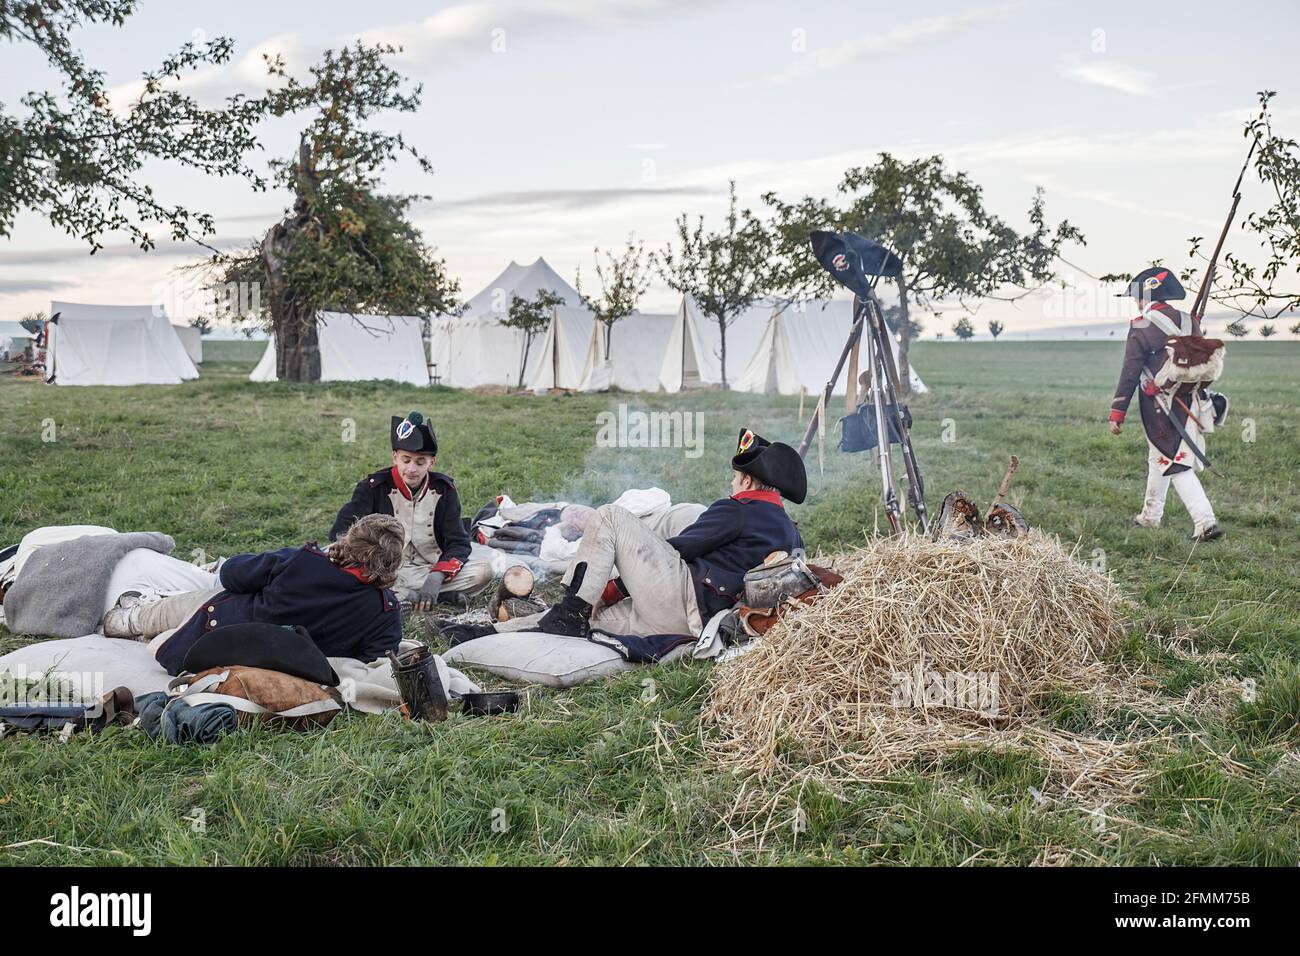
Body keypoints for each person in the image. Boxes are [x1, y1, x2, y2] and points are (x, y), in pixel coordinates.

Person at [456, 428, 807, 643]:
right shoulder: (791, 532)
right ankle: (493, 634)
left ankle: (571, 610)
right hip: (696, 623)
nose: (732, 484)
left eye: (735, 479)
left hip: (683, 598)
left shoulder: (740, 508)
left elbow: (682, 549)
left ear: (746, 481)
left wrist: (614, 587)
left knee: (610, 517)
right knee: (585, 626)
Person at [101, 514, 407, 675]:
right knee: (197, 604)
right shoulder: (386, 612)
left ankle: (131, 619)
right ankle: (143, 620)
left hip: (210, 637)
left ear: (351, 539)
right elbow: (372, 659)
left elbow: (232, 573)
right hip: (273, 663)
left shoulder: (302, 561)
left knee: (192, 603)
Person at [330, 412, 493, 610]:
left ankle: (418, 594)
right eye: (406, 460)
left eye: (420, 462)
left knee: (483, 572)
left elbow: (458, 542)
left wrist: (436, 577)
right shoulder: (372, 488)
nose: (411, 469)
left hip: (429, 569)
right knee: (348, 574)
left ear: (432, 462)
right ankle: (425, 596)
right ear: (395, 457)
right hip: (385, 572)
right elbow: (341, 533)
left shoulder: (444, 490)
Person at [1109, 266, 1223, 541]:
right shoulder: (1190, 320)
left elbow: (1130, 371)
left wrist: (1118, 411)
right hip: (1190, 399)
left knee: (1174, 462)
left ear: (1145, 296)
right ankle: (1150, 516)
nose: (1136, 302)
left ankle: (1205, 521)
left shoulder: (1141, 325)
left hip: (1161, 404)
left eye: (1137, 296)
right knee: (1158, 456)